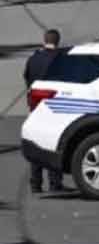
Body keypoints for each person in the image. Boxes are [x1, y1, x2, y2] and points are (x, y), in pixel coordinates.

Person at [23, 29, 64, 193]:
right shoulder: (62, 59)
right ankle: (55, 182)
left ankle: (35, 183)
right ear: (58, 41)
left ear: (44, 40)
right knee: (54, 143)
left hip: (36, 106)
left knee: (36, 142)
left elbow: (27, 78)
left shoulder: (34, 59)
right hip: (55, 106)